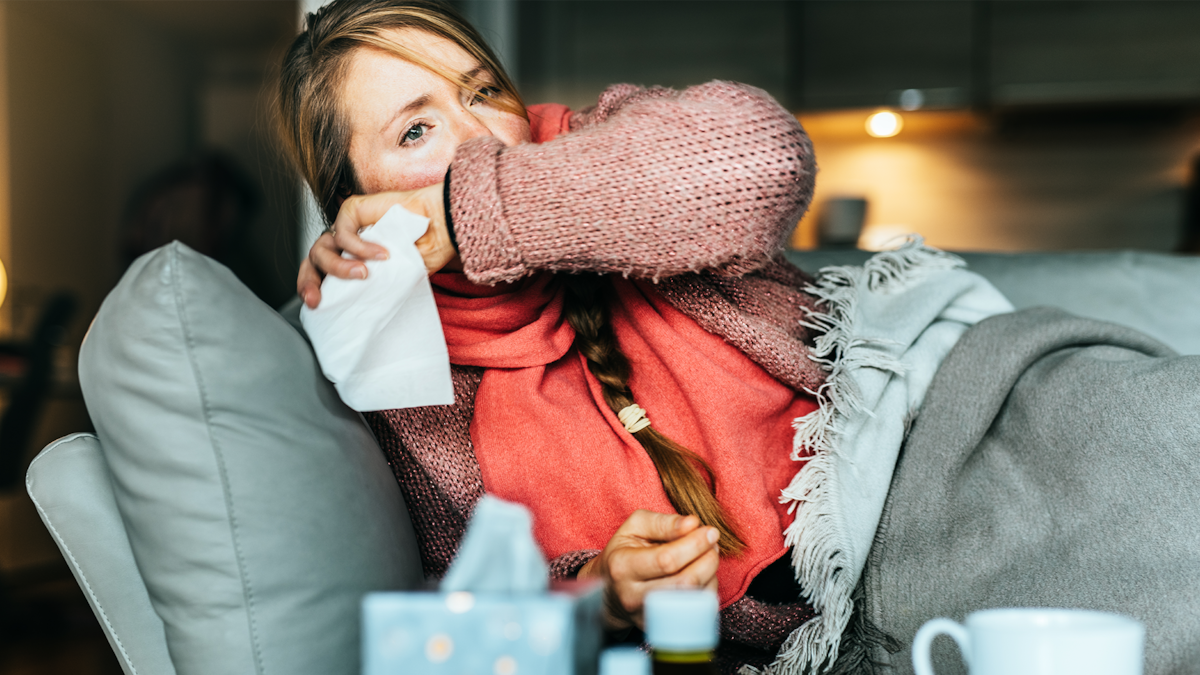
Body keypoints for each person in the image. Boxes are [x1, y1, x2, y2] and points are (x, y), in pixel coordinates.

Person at [279, 1, 847, 672]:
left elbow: (769, 158)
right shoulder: (394, 373)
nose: (481, 140)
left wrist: (466, 213)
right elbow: (459, 601)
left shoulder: (601, 143)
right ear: (354, 199)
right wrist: (599, 589)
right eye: (416, 131)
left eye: (482, 92)